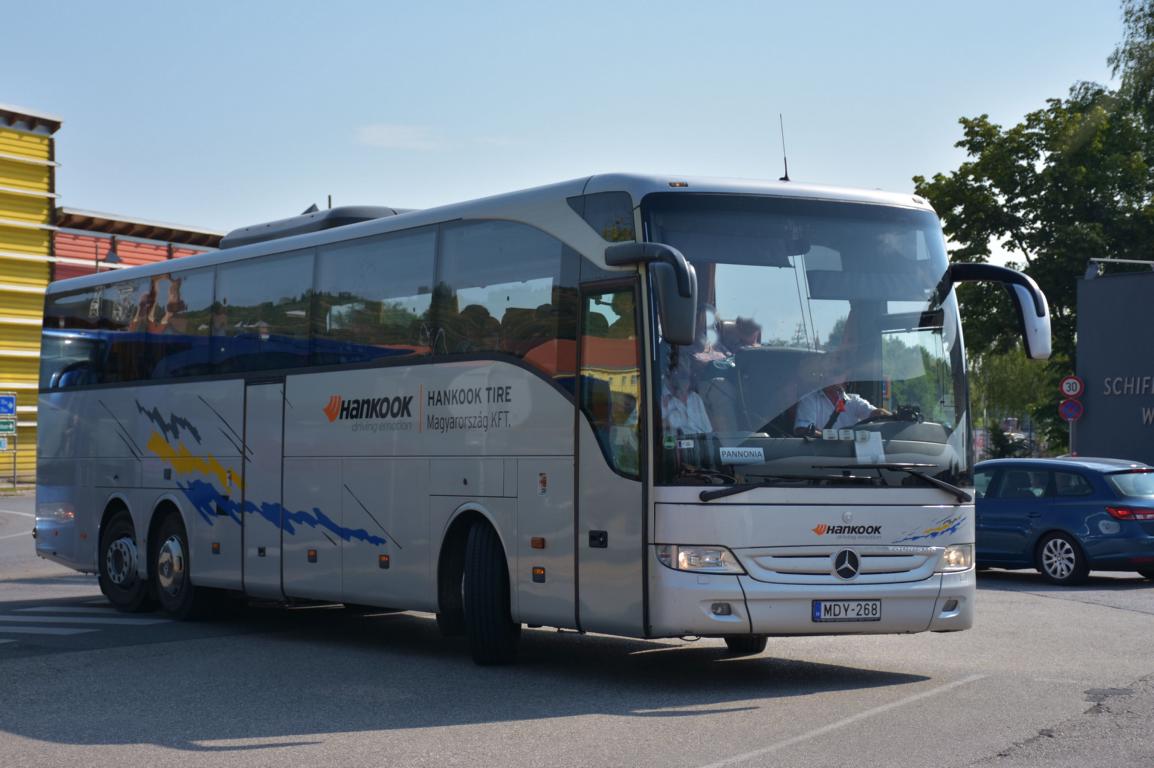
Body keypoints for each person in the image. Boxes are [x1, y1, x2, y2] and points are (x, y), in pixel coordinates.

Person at [793, 353, 888, 437]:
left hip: (850, 456)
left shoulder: (854, 401)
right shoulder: (809, 400)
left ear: (846, 377)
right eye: (825, 372)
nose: (828, 376)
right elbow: (803, 429)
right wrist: (834, 439)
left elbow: (876, 414)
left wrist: (892, 417)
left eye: (836, 372)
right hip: (819, 455)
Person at [661, 349, 713, 435]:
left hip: (701, 445)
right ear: (668, 372)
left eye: (686, 374)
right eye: (680, 372)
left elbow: (708, 431)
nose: (685, 378)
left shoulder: (695, 398)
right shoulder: (656, 397)